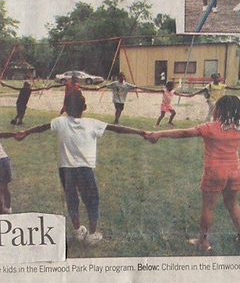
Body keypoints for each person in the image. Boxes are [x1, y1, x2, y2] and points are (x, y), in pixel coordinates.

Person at [15, 90, 146, 244]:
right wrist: (140, 132)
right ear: (84, 107)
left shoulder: (60, 121)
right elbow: (117, 128)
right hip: (84, 169)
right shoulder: (92, 123)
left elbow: (42, 127)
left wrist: (25, 132)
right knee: (92, 199)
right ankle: (91, 233)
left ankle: (77, 230)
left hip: (65, 169)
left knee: (71, 198)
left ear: (65, 108)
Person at [145, 95, 240, 251]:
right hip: (234, 172)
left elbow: (184, 133)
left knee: (208, 207)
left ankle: (203, 241)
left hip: (214, 173)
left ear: (219, 109)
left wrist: (159, 134)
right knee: (233, 205)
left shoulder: (209, 128)